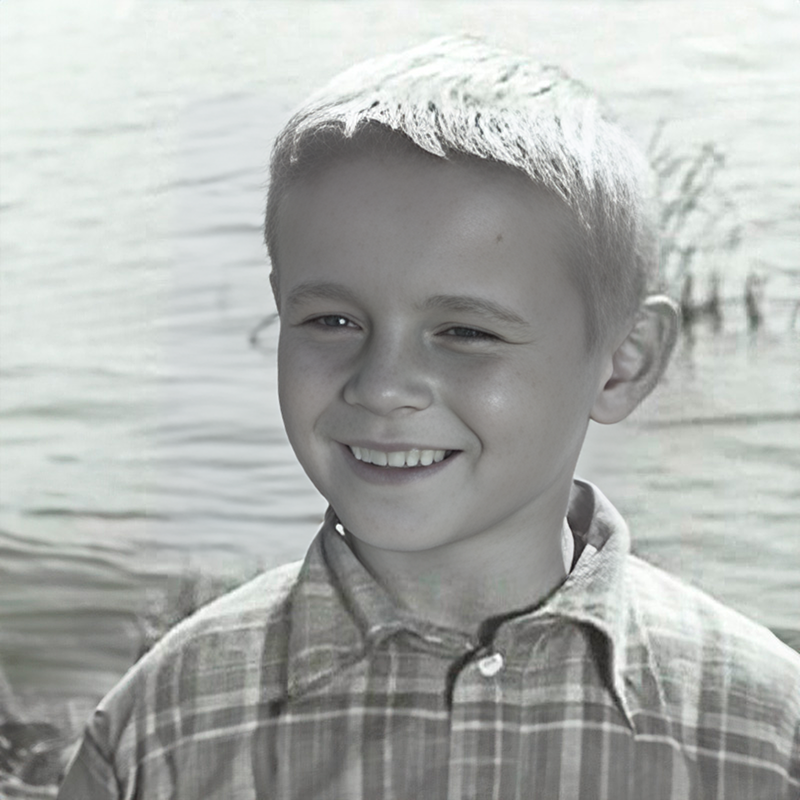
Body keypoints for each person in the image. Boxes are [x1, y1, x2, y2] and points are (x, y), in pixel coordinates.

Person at [58, 36, 800, 799]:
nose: (383, 387)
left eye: (465, 332)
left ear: (624, 362)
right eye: (332, 321)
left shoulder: (764, 731)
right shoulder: (166, 729)